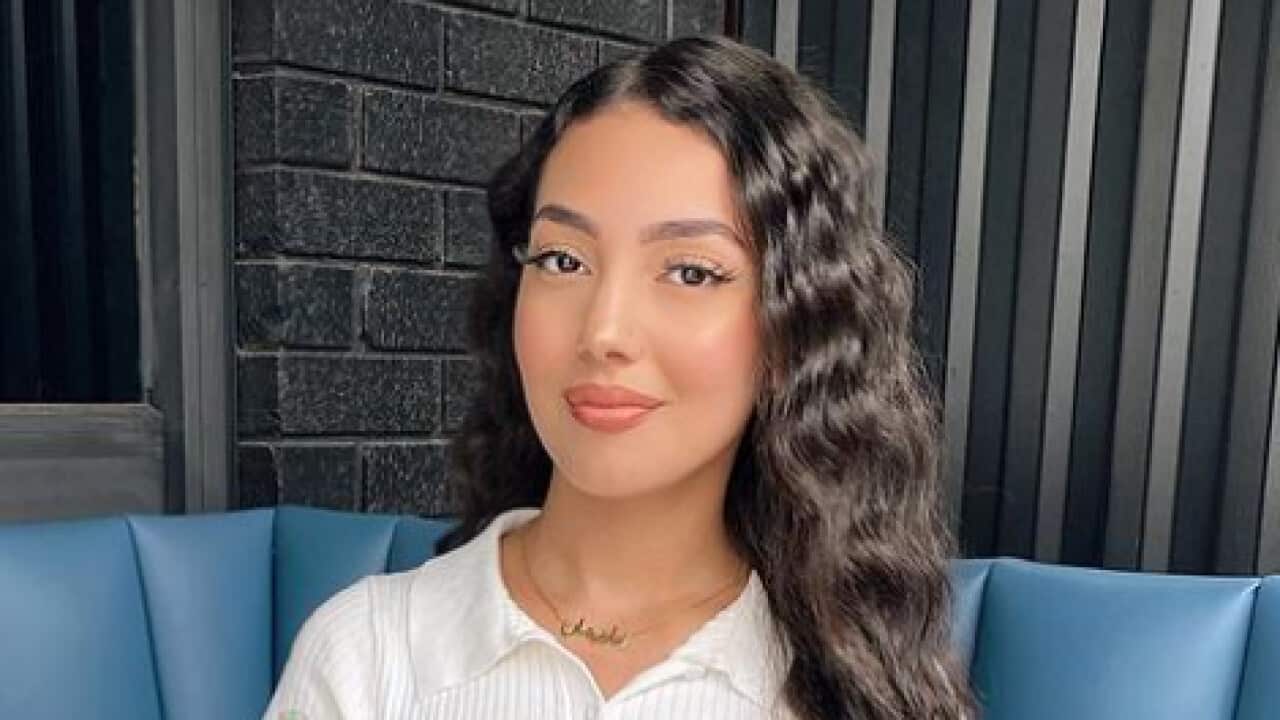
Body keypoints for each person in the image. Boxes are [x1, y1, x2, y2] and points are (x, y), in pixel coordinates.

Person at [264, 34, 977, 720]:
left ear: (794, 328)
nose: (604, 331)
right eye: (563, 261)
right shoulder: (367, 655)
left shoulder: (851, 682)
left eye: (691, 271)